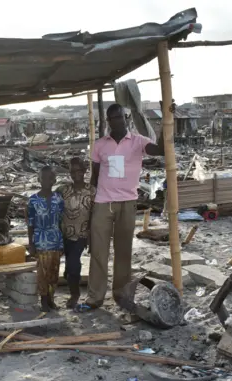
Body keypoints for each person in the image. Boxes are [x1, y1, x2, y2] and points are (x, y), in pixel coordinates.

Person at [85, 103, 164, 310]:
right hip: (103, 202)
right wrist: (90, 204)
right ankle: (95, 297)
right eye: (112, 118)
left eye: (119, 117)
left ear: (126, 118)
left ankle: (120, 294)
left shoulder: (138, 142)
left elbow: (160, 150)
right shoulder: (100, 145)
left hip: (128, 203)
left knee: (123, 252)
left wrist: (165, 123)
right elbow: (94, 176)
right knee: (99, 252)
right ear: (108, 122)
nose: (116, 121)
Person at [57, 157, 96, 308]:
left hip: (81, 235)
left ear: (85, 171)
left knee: (73, 263)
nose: (75, 174)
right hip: (64, 234)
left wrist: (91, 238)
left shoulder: (91, 191)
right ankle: (71, 280)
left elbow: (95, 215)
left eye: (79, 170)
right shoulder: (63, 190)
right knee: (69, 265)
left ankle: (75, 294)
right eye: (72, 171)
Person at [27, 166, 64, 312]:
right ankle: (43, 300)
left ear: (54, 180)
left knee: (54, 272)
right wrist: (31, 244)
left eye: (50, 178)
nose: (47, 181)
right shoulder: (33, 200)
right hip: (40, 242)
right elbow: (30, 223)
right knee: (42, 272)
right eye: (43, 178)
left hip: (55, 241)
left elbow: (61, 222)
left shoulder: (58, 199)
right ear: (38, 180)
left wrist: (62, 242)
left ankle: (51, 299)